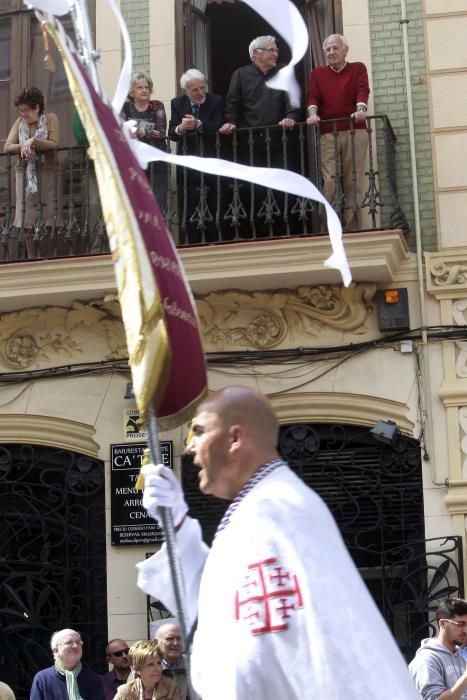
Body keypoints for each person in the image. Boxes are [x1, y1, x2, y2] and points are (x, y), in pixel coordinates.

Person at [137, 386, 420, 700]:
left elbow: (292, 646)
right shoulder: (255, 507)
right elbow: (222, 609)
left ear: (234, 439)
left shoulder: (276, 508)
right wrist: (178, 523)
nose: (190, 447)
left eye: (200, 431)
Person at [219, 36, 301, 237]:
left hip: (279, 140)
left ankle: (285, 231)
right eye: (271, 50)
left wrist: (290, 116)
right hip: (251, 142)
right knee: (255, 188)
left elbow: (293, 100)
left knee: (283, 185)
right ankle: (258, 232)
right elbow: (232, 104)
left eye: (276, 50)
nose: (276, 53)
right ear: (256, 53)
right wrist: (231, 121)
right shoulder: (240, 75)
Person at [306, 33, 370, 230]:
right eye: (327, 49)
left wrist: (360, 110)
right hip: (328, 133)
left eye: (335, 48)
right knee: (331, 181)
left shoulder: (358, 68)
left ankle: (351, 226)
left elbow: (362, 89)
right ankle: (330, 226)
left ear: (345, 50)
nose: (331, 52)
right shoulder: (318, 74)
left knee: (354, 180)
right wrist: (313, 114)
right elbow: (313, 96)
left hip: (355, 131)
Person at [4, 86, 62, 259]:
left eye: (26, 110)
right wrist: (24, 146)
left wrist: (34, 141)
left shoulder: (51, 119)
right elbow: (7, 146)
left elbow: (54, 143)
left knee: (49, 218)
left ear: (37, 107)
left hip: (48, 173)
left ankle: (49, 257)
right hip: (25, 175)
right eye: (20, 110)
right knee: (27, 219)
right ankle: (32, 258)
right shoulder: (19, 124)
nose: (23, 114)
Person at [168, 69, 224, 244]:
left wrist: (199, 124)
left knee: (214, 203)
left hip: (212, 160)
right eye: (195, 90)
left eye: (202, 87)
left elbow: (219, 124)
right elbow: (172, 133)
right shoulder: (177, 103)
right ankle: (192, 243)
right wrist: (182, 128)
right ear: (186, 90)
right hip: (189, 164)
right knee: (190, 205)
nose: (200, 92)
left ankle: (215, 242)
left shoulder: (216, 101)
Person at [121, 71, 168, 216]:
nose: (144, 90)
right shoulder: (125, 108)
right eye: (140, 87)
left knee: (158, 201)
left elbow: (160, 133)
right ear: (132, 92)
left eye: (147, 87)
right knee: (135, 202)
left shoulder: (157, 106)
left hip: (156, 159)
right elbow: (120, 130)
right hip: (134, 161)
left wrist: (142, 132)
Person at [409, 598, 467, 699]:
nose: (466, 630)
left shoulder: (460, 658)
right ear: (443, 624)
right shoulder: (426, 659)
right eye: (460, 624)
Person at [30, 628, 105, 699]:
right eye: (69, 642)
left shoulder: (93, 679)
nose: (75, 646)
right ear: (56, 651)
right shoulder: (42, 679)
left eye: (78, 642)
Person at [114, 640, 180, 700]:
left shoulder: (171, 688)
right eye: (150, 664)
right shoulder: (124, 692)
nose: (157, 669)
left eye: (159, 663)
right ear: (137, 669)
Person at [154, 623, 188, 699]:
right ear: (156, 643)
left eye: (179, 638)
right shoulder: (144, 669)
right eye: (170, 639)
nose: (175, 643)